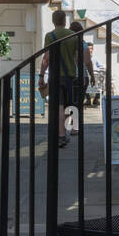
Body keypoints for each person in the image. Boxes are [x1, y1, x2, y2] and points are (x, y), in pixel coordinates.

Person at [38, 9, 78, 148]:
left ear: (53, 21)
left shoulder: (50, 36)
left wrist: (41, 76)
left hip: (56, 76)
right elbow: (77, 58)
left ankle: (60, 135)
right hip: (71, 75)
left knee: (59, 107)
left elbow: (46, 58)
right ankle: (65, 132)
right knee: (68, 106)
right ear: (65, 21)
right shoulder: (74, 35)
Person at [69, 19, 94, 123]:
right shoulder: (83, 44)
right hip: (81, 76)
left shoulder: (67, 44)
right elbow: (88, 62)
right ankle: (75, 126)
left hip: (69, 76)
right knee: (78, 102)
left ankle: (70, 124)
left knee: (70, 101)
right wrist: (92, 75)